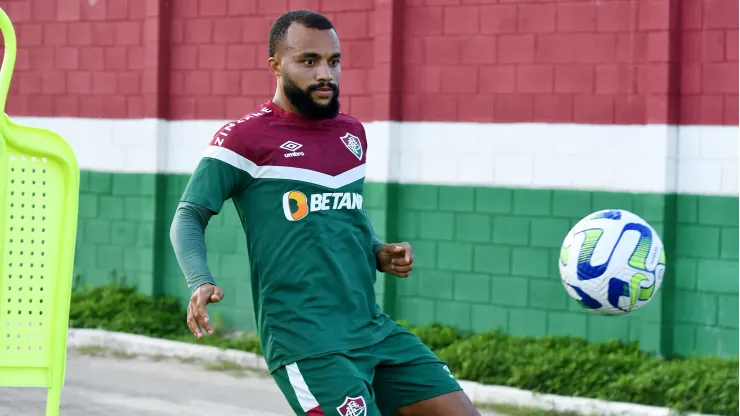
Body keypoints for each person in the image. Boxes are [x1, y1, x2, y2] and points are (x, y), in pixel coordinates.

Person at [170, 9, 481, 416]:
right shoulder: (244, 139)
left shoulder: (351, 133)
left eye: (334, 61)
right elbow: (188, 216)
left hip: (371, 328)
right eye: (309, 61)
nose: (326, 74)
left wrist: (375, 250)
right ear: (275, 66)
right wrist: (200, 280)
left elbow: (339, 215)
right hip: (307, 342)